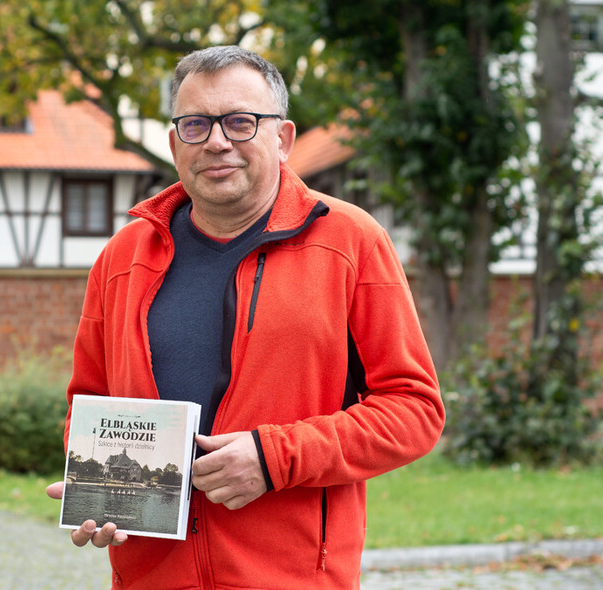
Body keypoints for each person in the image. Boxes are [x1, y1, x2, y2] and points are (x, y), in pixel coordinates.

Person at [46, 45, 445, 590]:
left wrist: (274, 457)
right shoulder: (123, 259)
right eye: (195, 124)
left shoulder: (351, 243)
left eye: (240, 122)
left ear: (282, 139)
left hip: (295, 579)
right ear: (174, 143)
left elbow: (415, 410)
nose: (216, 142)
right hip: (151, 578)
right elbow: (88, 405)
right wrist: (98, 490)